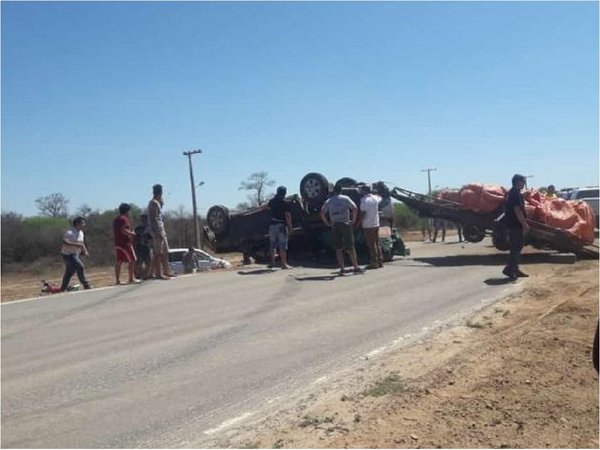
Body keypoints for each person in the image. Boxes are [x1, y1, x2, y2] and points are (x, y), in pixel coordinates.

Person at [320, 184, 363, 275]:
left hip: (335, 225)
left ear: (333, 191)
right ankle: (356, 267)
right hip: (345, 223)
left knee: (338, 248)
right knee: (350, 247)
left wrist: (327, 223)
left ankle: (342, 269)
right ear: (341, 190)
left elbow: (322, 212)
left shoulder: (329, 201)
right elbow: (354, 208)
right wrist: (353, 220)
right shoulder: (345, 198)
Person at [502, 174, 530, 281]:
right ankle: (509, 269)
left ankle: (514, 269)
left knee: (518, 247)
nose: (524, 184)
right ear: (517, 182)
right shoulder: (514, 194)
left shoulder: (514, 193)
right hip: (514, 225)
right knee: (515, 248)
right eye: (523, 181)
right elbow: (517, 210)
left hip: (513, 224)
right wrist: (524, 224)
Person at [147, 184, 174, 280]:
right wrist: (158, 232)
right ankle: (158, 273)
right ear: (160, 192)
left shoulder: (157, 202)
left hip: (161, 229)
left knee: (165, 252)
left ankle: (166, 271)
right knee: (158, 253)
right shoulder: (153, 203)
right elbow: (153, 219)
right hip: (157, 230)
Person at [59, 216, 92, 291]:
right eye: (82, 223)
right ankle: (86, 285)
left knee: (70, 272)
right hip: (67, 254)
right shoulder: (70, 232)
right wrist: (75, 244)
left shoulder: (81, 233)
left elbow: (81, 243)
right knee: (80, 266)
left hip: (75, 254)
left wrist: (85, 251)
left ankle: (62, 288)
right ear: (77, 224)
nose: (84, 225)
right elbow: (64, 241)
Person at [113, 203, 140, 285]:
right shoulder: (124, 219)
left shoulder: (116, 219)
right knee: (133, 260)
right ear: (127, 211)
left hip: (118, 243)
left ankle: (117, 280)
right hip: (125, 243)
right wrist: (131, 234)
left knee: (119, 261)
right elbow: (123, 230)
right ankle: (131, 278)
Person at [267, 186, 293, 269]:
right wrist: (290, 227)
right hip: (281, 225)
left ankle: (272, 263)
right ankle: (284, 264)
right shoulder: (285, 203)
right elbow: (288, 216)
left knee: (272, 245)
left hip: (272, 225)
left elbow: (268, 207)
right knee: (282, 245)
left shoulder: (272, 201)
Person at [359, 185, 383, 269]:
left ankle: (374, 262)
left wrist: (359, 222)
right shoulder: (375, 198)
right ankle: (380, 261)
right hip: (376, 223)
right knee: (377, 242)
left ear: (364, 191)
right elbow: (380, 197)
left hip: (368, 225)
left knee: (371, 244)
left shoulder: (364, 200)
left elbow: (363, 213)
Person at [134, 214, 153, 280]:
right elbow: (134, 237)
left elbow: (151, 238)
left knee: (148, 261)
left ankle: (145, 275)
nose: (143, 221)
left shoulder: (149, 228)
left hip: (147, 246)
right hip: (139, 247)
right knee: (139, 262)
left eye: (145, 219)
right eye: (142, 219)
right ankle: (139, 274)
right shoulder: (137, 229)